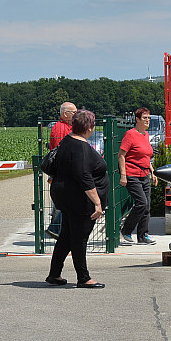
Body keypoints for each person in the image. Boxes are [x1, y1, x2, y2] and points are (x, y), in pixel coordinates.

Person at [46, 109, 109, 288]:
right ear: (89, 127)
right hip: (79, 200)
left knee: (66, 236)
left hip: (65, 196)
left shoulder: (68, 140)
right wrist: (97, 202)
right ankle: (83, 278)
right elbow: (84, 177)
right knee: (79, 238)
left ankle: (54, 274)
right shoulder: (80, 147)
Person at [118, 108, 158, 244]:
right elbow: (121, 155)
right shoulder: (130, 135)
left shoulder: (145, 135)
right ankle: (126, 231)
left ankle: (143, 236)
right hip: (132, 174)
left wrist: (152, 171)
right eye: (144, 118)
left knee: (147, 207)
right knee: (141, 203)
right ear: (137, 119)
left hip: (145, 174)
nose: (147, 120)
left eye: (148, 118)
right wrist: (123, 175)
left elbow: (146, 156)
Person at [46, 101, 77, 239]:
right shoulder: (60, 129)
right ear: (65, 114)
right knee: (67, 203)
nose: (76, 115)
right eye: (74, 113)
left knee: (66, 203)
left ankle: (59, 229)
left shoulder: (67, 127)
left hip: (66, 172)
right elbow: (63, 151)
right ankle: (56, 228)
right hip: (65, 172)